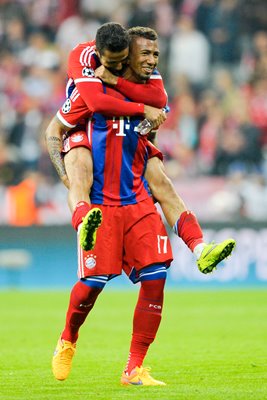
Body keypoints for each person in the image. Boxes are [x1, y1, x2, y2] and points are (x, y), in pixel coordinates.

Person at [46, 26, 235, 386]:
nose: (150, 61)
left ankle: (134, 368)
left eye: (155, 56)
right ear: (123, 55)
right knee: (92, 284)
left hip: (133, 195)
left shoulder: (154, 89)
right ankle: (68, 338)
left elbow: (157, 108)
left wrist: (148, 121)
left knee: (156, 276)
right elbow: (62, 124)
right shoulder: (86, 80)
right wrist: (67, 175)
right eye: (143, 55)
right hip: (101, 197)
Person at [46, 22, 236, 274]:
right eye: (112, 63)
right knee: (80, 168)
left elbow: (160, 100)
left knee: (161, 181)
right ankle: (84, 226)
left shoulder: (139, 72)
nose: (118, 66)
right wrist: (62, 175)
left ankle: (200, 250)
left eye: (124, 61)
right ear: (98, 55)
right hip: (83, 127)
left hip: (123, 135)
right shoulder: (82, 65)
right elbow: (91, 104)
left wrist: (123, 89)